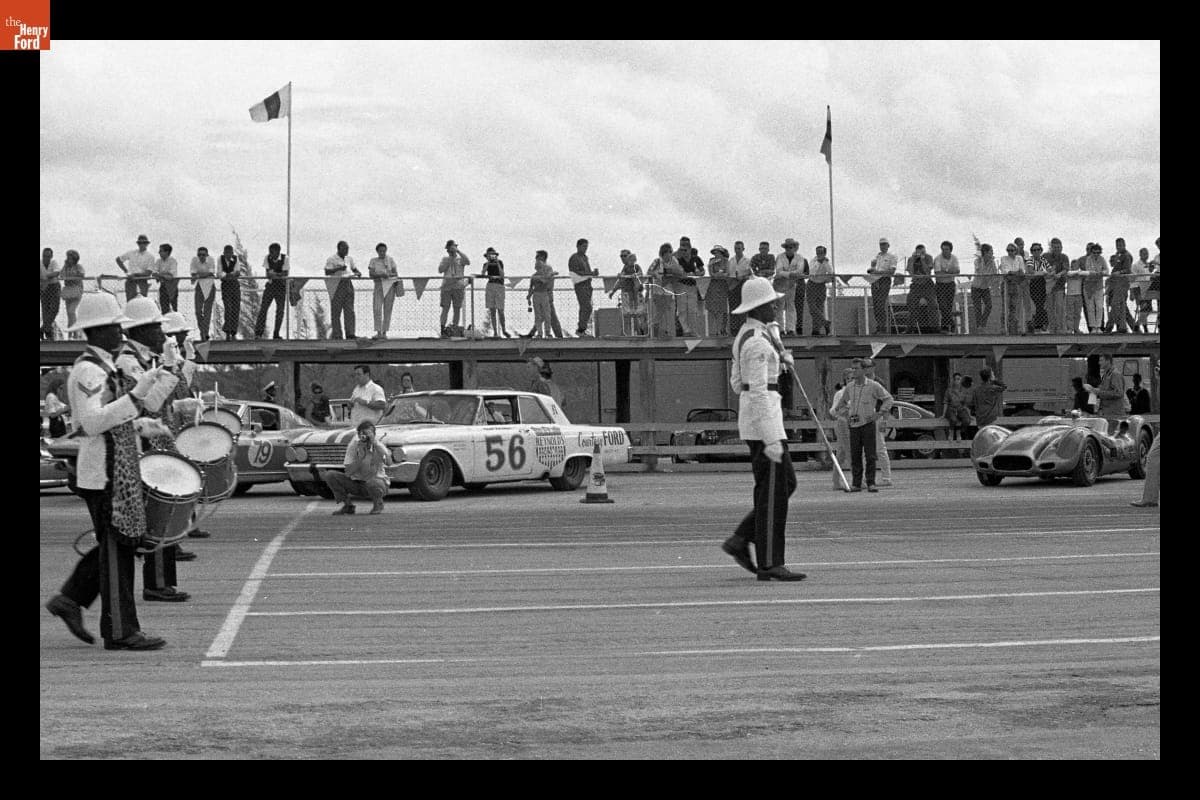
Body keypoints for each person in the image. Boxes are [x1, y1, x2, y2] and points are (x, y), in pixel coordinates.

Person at [45, 293, 178, 650]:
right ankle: (120, 630)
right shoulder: (89, 370)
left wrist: (140, 425)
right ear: (98, 330)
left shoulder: (102, 366)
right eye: (114, 326)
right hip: (103, 472)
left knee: (115, 546)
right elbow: (90, 423)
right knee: (118, 552)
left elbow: (112, 418)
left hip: (112, 466)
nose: (121, 331)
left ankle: (70, 600)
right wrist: (135, 399)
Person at [719, 275, 805, 581]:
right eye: (772, 302)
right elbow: (755, 390)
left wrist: (780, 360)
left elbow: (735, 383)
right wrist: (770, 437)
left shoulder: (752, 335)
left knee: (785, 486)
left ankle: (741, 538)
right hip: (764, 422)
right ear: (760, 306)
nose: (777, 306)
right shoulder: (756, 342)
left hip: (762, 418)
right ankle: (770, 561)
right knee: (773, 494)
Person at [118, 297, 195, 600]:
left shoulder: (141, 359)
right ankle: (156, 583)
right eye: (155, 328)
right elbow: (148, 403)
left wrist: (180, 402)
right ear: (139, 330)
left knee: (163, 512)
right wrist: (169, 368)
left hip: (156, 437)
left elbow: (160, 400)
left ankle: (161, 581)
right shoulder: (128, 362)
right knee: (157, 513)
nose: (162, 335)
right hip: (143, 441)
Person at [831, 357, 894, 493]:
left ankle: (871, 482)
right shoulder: (849, 387)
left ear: (864, 370)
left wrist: (879, 414)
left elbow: (888, 399)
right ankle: (856, 483)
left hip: (868, 423)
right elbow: (839, 405)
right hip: (854, 425)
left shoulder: (873, 385)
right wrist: (846, 414)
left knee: (871, 454)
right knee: (855, 454)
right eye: (852, 368)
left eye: (857, 368)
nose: (854, 371)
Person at [324, 420, 392, 515]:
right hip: (357, 483)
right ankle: (348, 505)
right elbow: (348, 470)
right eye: (362, 434)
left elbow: (389, 462)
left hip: (376, 483)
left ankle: (378, 504)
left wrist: (376, 445)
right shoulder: (353, 446)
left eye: (368, 433)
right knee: (330, 475)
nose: (365, 436)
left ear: (374, 434)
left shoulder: (379, 445)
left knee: (372, 481)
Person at [863, 358, 893, 487]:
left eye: (868, 366)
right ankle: (866, 478)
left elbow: (886, 402)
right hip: (863, 417)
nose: (866, 369)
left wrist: (884, 420)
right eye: (864, 366)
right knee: (864, 450)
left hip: (877, 416)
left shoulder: (879, 382)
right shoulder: (860, 382)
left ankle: (886, 478)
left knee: (880, 448)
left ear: (873, 368)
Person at [325, 240, 360, 340]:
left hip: (348, 283)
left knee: (349, 310)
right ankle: (337, 334)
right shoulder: (332, 259)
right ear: (339, 248)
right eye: (345, 249)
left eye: (347, 249)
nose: (346, 251)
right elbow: (327, 271)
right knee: (336, 311)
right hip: (337, 284)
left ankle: (350, 333)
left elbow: (354, 269)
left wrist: (357, 272)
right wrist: (338, 268)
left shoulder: (349, 259)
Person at [647, 243, 682, 339]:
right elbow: (649, 272)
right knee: (660, 312)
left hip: (669, 290)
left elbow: (679, 272)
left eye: (671, 252)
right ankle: (653, 330)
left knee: (669, 312)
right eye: (668, 252)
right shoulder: (657, 261)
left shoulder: (674, 261)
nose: (670, 254)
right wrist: (656, 274)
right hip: (658, 291)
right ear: (663, 253)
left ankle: (667, 333)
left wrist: (672, 272)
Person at [257, 242, 290, 340]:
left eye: (272, 252)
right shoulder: (267, 258)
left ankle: (276, 333)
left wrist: (274, 274)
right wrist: (277, 274)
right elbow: (267, 274)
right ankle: (258, 332)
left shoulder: (285, 258)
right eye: (270, 252)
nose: (271, 254)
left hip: (281, 287)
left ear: (278, 251)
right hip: (270, 286)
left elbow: (285, 273)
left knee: (280, 311)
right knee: (263, 308)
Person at [829, 367, 855, 489]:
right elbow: (833, 411)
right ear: (844, 380)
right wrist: (844, 410)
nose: (851, 380)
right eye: (848, 378)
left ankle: (835, 481)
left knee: (841, 453)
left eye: (853, 378)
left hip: (854, 423)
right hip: (843, 422)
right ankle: (857, 479)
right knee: (850, 451)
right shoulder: (840, 393)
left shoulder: (857, 391)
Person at [1083, 353, 1126, 427]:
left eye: (1101, 360)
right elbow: (1104, 390)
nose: (1099, 363)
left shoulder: (1115, 374)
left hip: (1114, 415)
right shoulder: (1106, 375)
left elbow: (1119, 393)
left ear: (1108, 361)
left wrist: (1097, 391)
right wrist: (1092, 389)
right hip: (1106, 413)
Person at [569, 238, 600, 337]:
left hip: (587, 284)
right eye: (583, 247)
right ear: (578, 246)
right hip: (580, 285)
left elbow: (587, 271)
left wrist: (592, 273)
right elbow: (577, 272)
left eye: (586, 247)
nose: (585, 249)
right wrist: (590, 273)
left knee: (585, 307)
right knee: (587, 307)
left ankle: (582, 328)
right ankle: (581, 329)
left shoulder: (585, 257)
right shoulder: (574, 257)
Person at [774, 238, 806, 335]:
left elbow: (800, 270)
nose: (789, 249)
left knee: (790, 305)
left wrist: (787, 274)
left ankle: (791, 329)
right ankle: (780, 329)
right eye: (787, 247)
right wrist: (791, 274)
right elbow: (779, 270)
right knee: (780, 306)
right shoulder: (780, 257)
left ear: (794, 248)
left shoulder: (800, 257)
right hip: (780, 284)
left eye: (791, 247)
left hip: (792, 284)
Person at [438, 239, 470, 335]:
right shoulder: (445, 259)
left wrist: (458, 251)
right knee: (445, 308)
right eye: (449, 249)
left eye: (453, 248)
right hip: (447, 286)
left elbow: (468, 262)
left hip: (458, 287)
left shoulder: (460, 259)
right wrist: (450, 260)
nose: (451, 251)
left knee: (457, 308)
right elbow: (440, 270)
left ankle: (455, 327)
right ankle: (442, 328)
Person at [611, 249, 646, 336]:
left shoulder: (636, 266)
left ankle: (642, 332)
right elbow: (620, 280)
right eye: (621, 256)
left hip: (637, 293)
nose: (622, 258)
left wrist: (636, 275)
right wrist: (613, 291)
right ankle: (629, 334)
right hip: (627, 293)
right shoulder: (625, 268)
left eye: (625, 256)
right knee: (627, 314)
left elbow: (641, 273)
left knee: (639, 313)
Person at [479, 247, 510, 338]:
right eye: (489, 255)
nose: (491, 257)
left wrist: (497, 263)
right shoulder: (486, 264)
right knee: (492, 310)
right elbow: (483, 273)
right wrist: (488, 264)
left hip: (499, 286)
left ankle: (504, 330)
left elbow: (502, 275)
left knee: (500, 310)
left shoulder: (499, 263)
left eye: (493, 255)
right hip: (490, 285)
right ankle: (495, 332)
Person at [868, 238, 898, 334]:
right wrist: (872, 269)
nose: (883, 246)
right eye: (881, 244)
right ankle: (879, 326)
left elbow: (892, 271)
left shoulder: (892, 256)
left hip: (884, 280)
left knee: (881, 303)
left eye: (884, 244)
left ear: (888, 245)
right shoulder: (877, 256)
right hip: (875, 280)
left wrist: (878, 272)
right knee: (876, 304)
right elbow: (874, 268)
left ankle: (883, 327)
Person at [906, 244, 937, 333]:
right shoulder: (911, 259)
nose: (921, 253)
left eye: (923, 252)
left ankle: (935, 328)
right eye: (919, 252)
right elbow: (910, 272)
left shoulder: (928, 257)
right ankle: (910, 328)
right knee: (911, 304)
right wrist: (913, 259)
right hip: (916, 284)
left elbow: (927, 270)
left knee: (933, 305)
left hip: (927, 284)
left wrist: (922, 259)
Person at [1104, 238, 1132, 334]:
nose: (1118, 247)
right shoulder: (1117, 255)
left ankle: (1110, 326)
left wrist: (1119, 272)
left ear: (1124, 245)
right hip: (1115, 285)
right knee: (1123, 308)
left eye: (1120, 245)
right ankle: (1134, 327)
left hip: (1122, 284)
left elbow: (1128, 270)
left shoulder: (1127, 256)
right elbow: (1114, 267)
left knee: (1116, 304)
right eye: (1117, 246)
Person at [115, 234, 155, 302]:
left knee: (142, 302)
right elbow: (118, 260)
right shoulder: (131, 253)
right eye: (140, 243)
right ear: (138, 244)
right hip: (131, 281)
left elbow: (149, 272)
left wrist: (136, 275)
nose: (142, 244)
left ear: (147, 244)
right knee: (130, 301)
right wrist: (126, 271)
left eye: (144, 243)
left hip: (142, 281)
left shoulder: (150, 256)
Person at [932, 241, 960, 333]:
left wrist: (945, 271)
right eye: (943, 249)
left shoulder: (954, 258)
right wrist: (949, 271)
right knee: (942, 306)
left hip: (950, 284)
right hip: (940, 285)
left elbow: (957, 270)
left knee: (948, 306)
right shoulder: (938, 259)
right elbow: (938, 273)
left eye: (947, 249)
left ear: (950, 250)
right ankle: (952, 325)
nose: (944, 251)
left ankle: (945, 327)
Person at [190, 246, 217, 341]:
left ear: (207, 255)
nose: (201, 257)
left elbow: (211, 273)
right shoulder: (194, 260)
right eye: (199, 255)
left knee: (207, 312)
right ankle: (203, 330)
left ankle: (204, 333)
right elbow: (193, 274)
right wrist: (198, 276)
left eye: (203, 255)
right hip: (200, 286)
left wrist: (198, 275)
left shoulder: (211, 260)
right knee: (198, 311)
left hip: (209, 286)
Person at [1000, 243, 1027, 335]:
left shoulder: (1019, 258)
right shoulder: (1004, 258)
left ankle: (1013, 328)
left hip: (1016, 284)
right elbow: (1006, 272)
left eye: (1012, 250)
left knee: (1014, 307)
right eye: (1008, 250)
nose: (1010, 252)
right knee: (1005, 307)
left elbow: (1022, 271)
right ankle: (1004, 328)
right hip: (1006, 285)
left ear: (1016, 251)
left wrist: (1013, 273)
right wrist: (1014, 273)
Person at [526, 251, 555, 338]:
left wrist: (547, 277)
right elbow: (531, 287)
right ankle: (539, 333)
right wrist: (529, 297)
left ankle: (547, 332)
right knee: (538, 315)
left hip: (545, 294)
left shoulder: (546, 272)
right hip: (536, 295)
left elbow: (547, 281)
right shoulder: (534, 276)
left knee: (547, 315)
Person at [1044, 238, 1070, 334]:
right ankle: (1052, 328)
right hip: (1048, 286)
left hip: (1059, 286)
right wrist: (1050, 272)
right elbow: (1042, 267)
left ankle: (1061, 329)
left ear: (1061, 247)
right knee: (1050, 308)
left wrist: (1059, 274)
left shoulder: (1064, 257)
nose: (1057, 249)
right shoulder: (1046, 256)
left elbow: (1066, 269)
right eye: (1054, 247)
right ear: (1051, 247)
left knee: (1060, 308)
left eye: (1058, 247)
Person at [705, 246, 731, 336]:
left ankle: (722, 329)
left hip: (723, 286)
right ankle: (714, 331)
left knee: (723, 309)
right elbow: (711, 274)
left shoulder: (726, 261)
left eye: (718, 252)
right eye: (715, 252)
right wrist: (718, 275)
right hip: (713, 286)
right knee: (713, 309)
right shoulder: (711, 261)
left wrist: (719, 275)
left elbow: (727, 273)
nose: (716, 254)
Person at [807, 245, 833, 336]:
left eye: (821, 253)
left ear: (824, 253)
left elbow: (831, 274)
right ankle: (825, 322)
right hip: (812, 284)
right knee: (812, 307)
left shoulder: (827, 263)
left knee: (819, 307)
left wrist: (824, 263)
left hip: (821, 285)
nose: (819, 254)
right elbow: (812, 272)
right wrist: (819, 262)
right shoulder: (813, 261)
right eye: (817, 252)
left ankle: (816, 329)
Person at [971, 244, 997, 331]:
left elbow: (994, 273)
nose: (992, 253)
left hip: (985, 287)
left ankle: (983, 323)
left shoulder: (992, 262)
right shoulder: (977, 261)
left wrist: (992, 263)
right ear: (985, 252)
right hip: (976, 287)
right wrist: (983, 260)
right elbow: (980, 271)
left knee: (989, 305)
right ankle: (979, 327)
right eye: (991, 252)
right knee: (977, 308)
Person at [1082, 242, 1108, 332]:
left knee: (1099, 306)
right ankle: (1093, 327)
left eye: (1098, 252)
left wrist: (1100, 273)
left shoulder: (1102, 259)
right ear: (1091, 252)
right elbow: (1089, 271)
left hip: (1099, 286)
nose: (1096, 254)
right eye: (1094, 252)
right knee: (1090, 307)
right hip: (1089, 286)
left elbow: (1106, 270)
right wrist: (1099, 273)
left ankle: (1098, 326)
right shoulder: (1088, 259)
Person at [728, 241, 752, 335]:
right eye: (735, 248)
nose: (737, 250)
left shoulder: (748, 260)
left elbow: (751, 272)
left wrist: (742, 276)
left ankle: (743, 329)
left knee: (743, 308)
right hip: (733, 286)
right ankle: (733, 330)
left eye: (739, 248)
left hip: (743, 285)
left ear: (743, 249)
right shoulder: (731, 260)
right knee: (733, 308)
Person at [219, 244, 243, 341]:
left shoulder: (235, 259)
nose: (228, 255)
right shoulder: (220, 260)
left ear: (232, 253)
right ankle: (227, 331)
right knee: (228, 308)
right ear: (224, 253)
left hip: (234, 285)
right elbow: (220, 273)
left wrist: (228, 275)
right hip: (226, 285)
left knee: (235, 308)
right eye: (226, 253)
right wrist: (230, 274)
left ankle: (233, 332)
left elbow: (237, 272)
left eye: (230, 253)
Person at [60, 250, 86, 338]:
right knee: (69, 313)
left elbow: (82, 275)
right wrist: (65, 265)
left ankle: (74, 331)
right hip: (68, 290)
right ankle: (71, 332)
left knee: (71, 311)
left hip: (76, 290)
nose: (68, 259)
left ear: (74, 259)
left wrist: (72, 277)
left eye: (70, 258)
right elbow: (62, 275)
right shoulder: (66, 267)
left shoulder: (78, 266)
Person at [1026, 243, 1049, 332]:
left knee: (1042, 304)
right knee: (1037, 304)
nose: (1036, 252)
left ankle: (1041, 325)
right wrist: (1042, 273)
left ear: (1041, 251)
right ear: (1032, 251)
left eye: (1038, 250)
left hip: (1042, 284)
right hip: (1034, 284)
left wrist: (1044, 273)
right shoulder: (1030, 260)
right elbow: (1031, 271)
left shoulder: (1043, 260)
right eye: (1034, 250)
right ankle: (1039, 325)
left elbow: (1050, 270)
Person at [943, 372, 971, 441]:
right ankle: (951, 432)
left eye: (959, 379)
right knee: (953, 419)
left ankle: (959, 431)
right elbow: (945, 402)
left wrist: (969, 415)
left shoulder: (964, 391)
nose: (957, 381)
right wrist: (943, 414)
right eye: (956, 379)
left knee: (967, 420)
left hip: (960, 409)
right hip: (951, 409)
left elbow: (965, 405)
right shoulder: (949, 390)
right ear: (953, 380)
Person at [41, 247, 61, 340]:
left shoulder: (54, 262)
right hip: (44, 288)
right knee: (45, 310)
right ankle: (47, 331)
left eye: (48, 256)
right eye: (44, 256)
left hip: (54, 286)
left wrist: (46, 277)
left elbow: (56, 272)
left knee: (55, 309)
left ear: (51, 256)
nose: (46, 258)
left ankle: (43, 329)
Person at [1131, 247, 1153, 333]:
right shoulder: (1135, 265)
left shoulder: (1148, 265)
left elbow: (1149, 276)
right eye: (1144, 254)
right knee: (1143, 308)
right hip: (1138, 289)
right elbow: (1132, 279)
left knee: (1149, 309)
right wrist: (1132, 292)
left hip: (1148, 289)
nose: (1146, 255)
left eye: (1147, 253)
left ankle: (1137, 324)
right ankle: (1145, 329)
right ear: (1140, 254)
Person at [153, 243, 179, 313]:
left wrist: (160, 275)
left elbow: (171, 276)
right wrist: (165, 275)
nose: (159, 252)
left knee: (174, 308)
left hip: (172, 287)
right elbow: (154, 273)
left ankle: (174, 322)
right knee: (164, 308)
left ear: (167, 252)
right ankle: (165, 323)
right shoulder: (158, 261)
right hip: (163, 286)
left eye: (161, 251)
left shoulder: (173, 261)